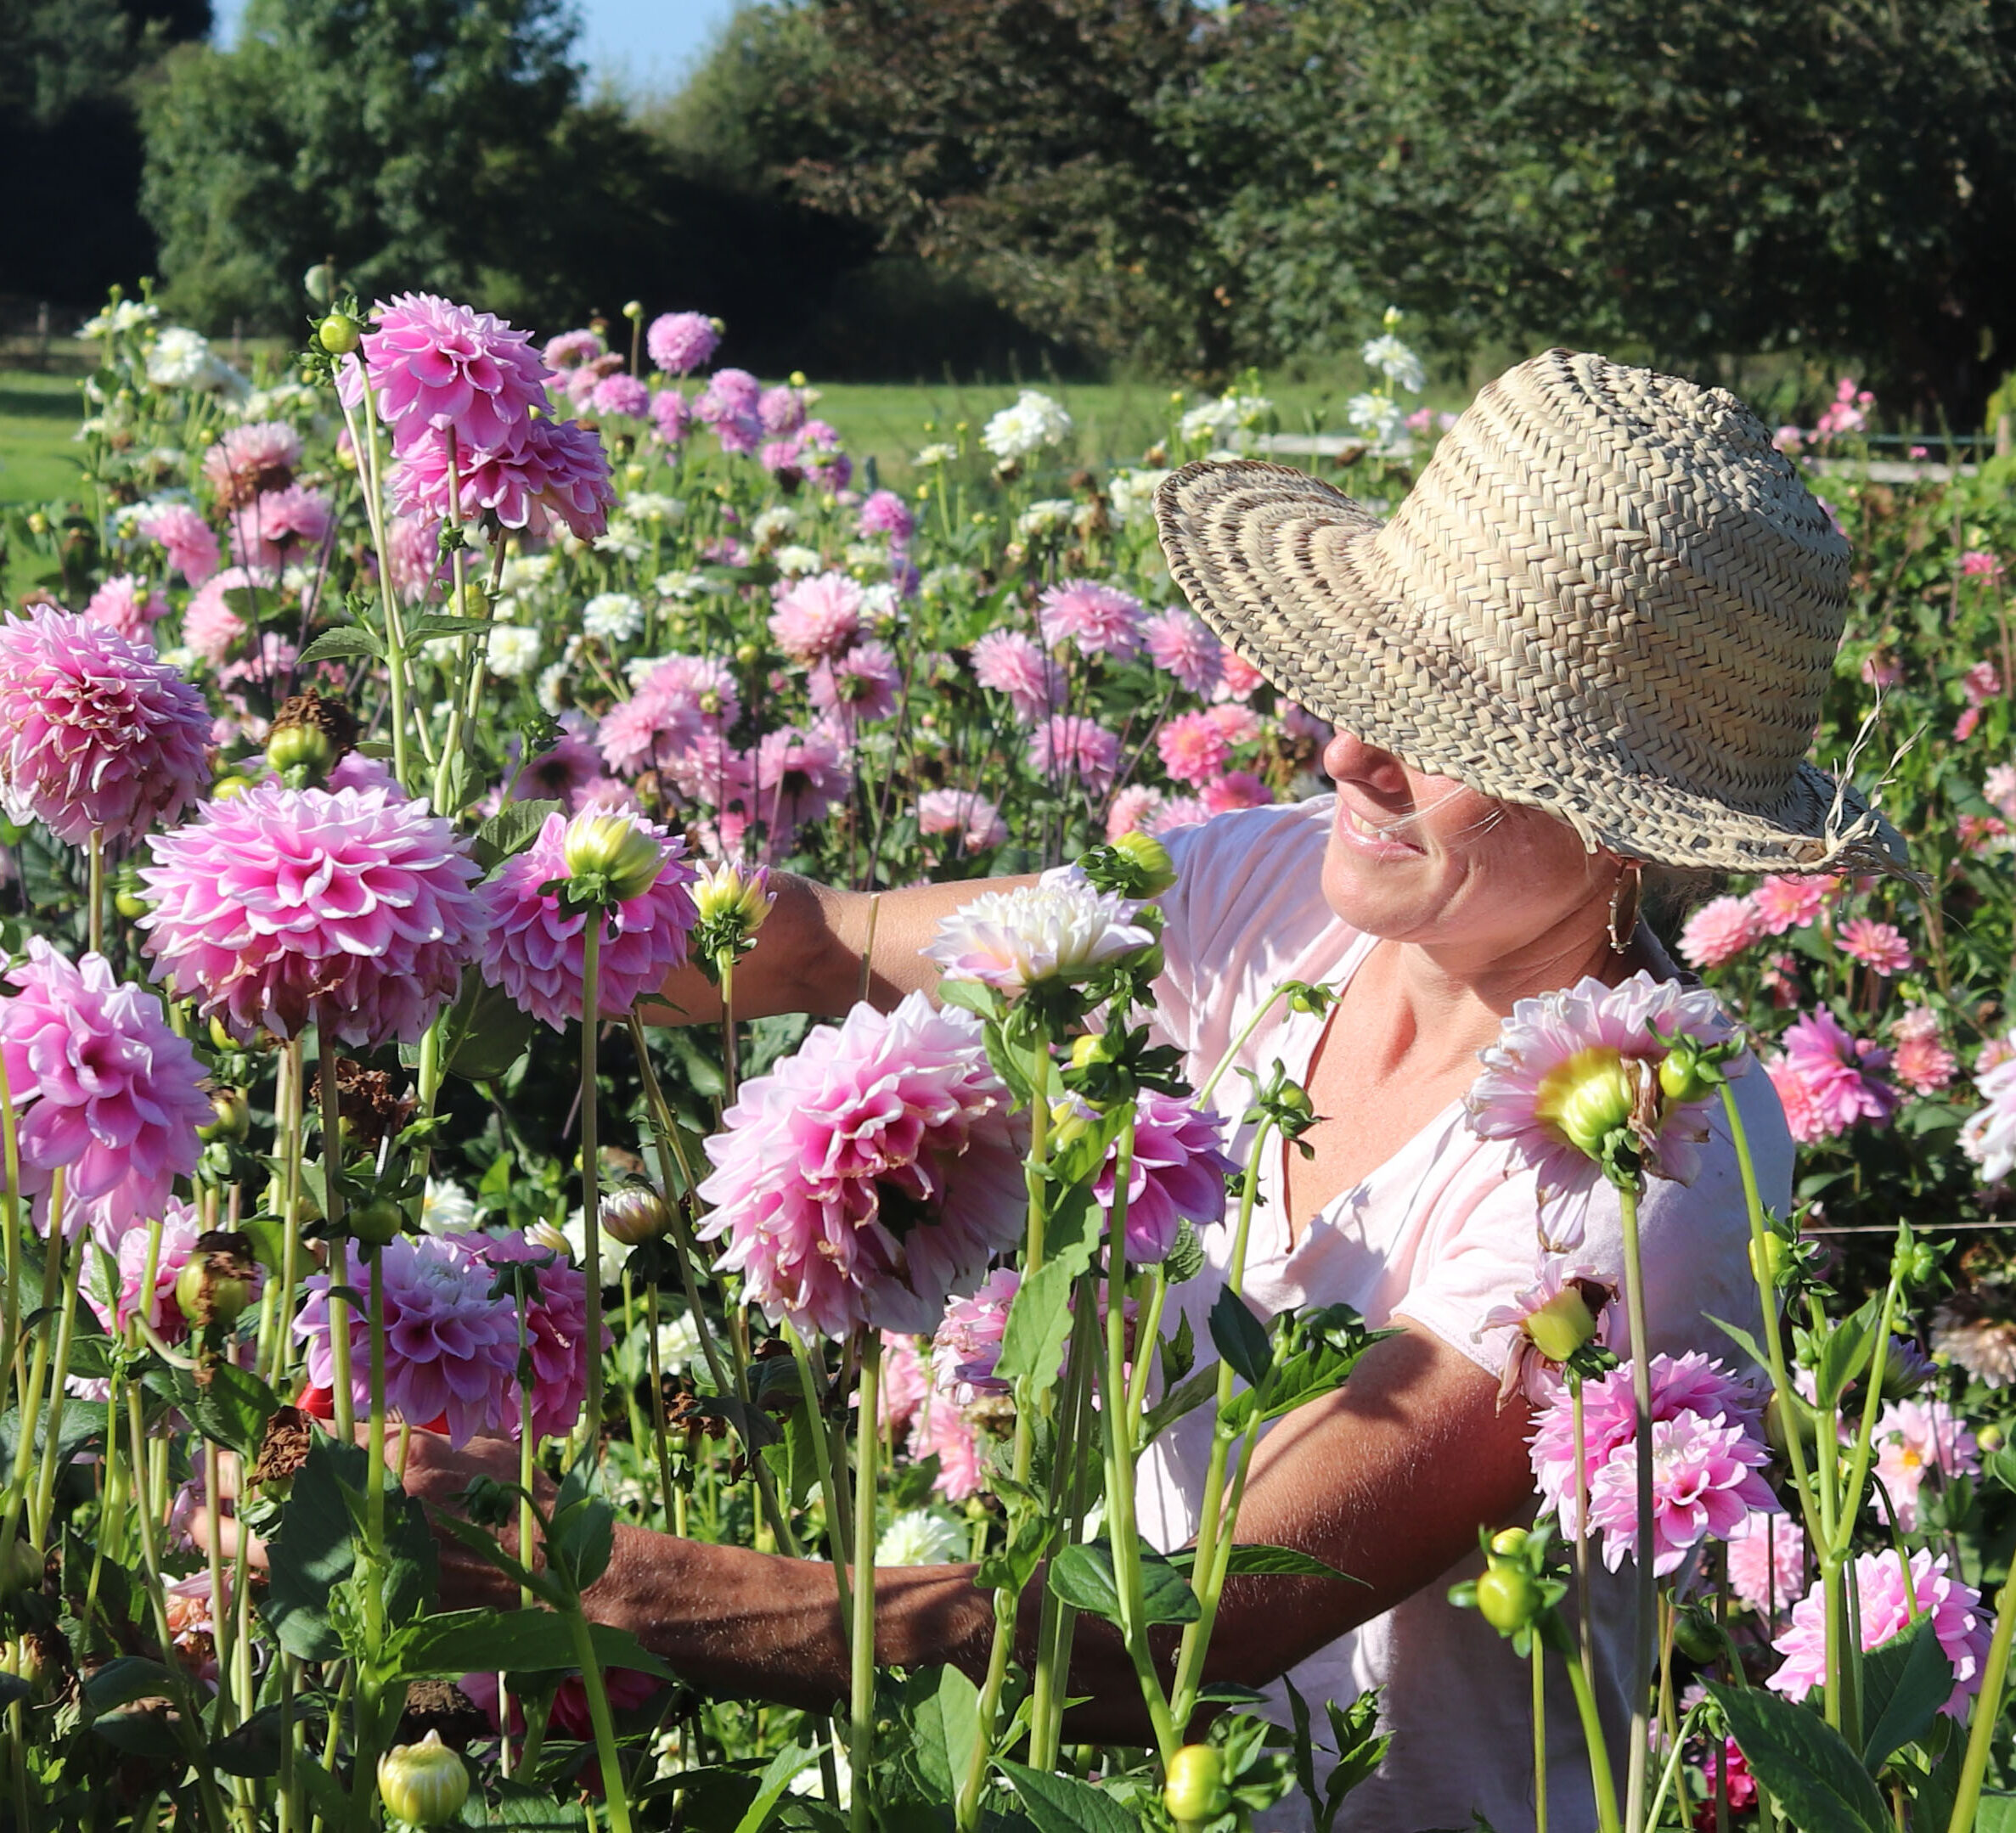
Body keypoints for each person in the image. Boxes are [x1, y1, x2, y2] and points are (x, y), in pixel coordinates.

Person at [200, 351, 1912, 1830]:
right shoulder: (1266, 895)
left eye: (1442, 720)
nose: (1344, 753)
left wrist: (589, 1582)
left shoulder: (1657, 1151)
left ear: (1624, 811)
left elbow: (1197, 1630)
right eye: (1369, 682)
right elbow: (818, 944)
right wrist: (374, 910)